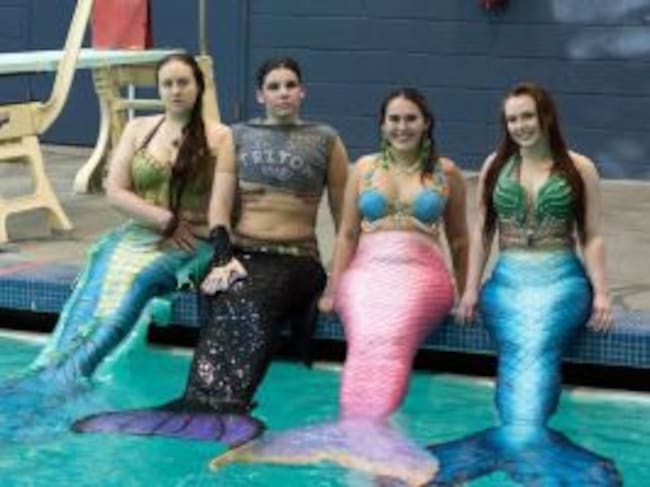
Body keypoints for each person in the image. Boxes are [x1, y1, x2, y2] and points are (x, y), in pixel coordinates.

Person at [72, 57, 349, 447]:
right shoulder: (240, 135)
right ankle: (197, 401)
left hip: (296, 257)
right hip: (244, 252)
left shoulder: (326, 139)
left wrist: (335, 281)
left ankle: (228, 404)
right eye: (274, 86)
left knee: (252, 295)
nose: (283, 93)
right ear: (260, 95)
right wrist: (222, 255)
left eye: (290, 85)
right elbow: (219, 204)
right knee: (222, 291)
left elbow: (345, 221)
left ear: (302, 91)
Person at [208, 87, 469, 485]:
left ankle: (357, 445)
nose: (401, 127)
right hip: (366, 271)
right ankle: (373, 446)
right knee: (366, 344)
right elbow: (347, 234)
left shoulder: (446, 172)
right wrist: (333, 288)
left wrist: (466, 292)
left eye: (410, 119)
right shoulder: (364, 168)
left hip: (422, 273)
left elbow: (460, 240)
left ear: (426, 123)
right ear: (382, 125)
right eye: (394, 119)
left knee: (390, 339)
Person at [0, 52, 231, 438]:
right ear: (159, 89)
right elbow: (115, 191)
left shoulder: (219, 137)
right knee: (94, 291)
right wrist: (164, 219)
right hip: (140, 232)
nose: (176, 90)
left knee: (138, 282)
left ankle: (75, 376)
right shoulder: (139, 129)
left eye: (183, 82)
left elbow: (222, 206)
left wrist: (219, 248)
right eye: (168, 84)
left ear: (198, 86)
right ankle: (49, 370)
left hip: (192, 240)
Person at [428, 81, 621, 485]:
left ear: (545, 116)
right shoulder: (496, 165)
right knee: (518, 346)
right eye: (512, 119)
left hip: (562, 280)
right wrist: (470, 289)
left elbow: (592, 235)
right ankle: (527, 439)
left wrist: (602, 293)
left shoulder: (579, 167)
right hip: (509, 281)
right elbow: (482, 232)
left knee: (537, 342)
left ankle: (517, 435)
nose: (521, 126)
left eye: (527, 116)